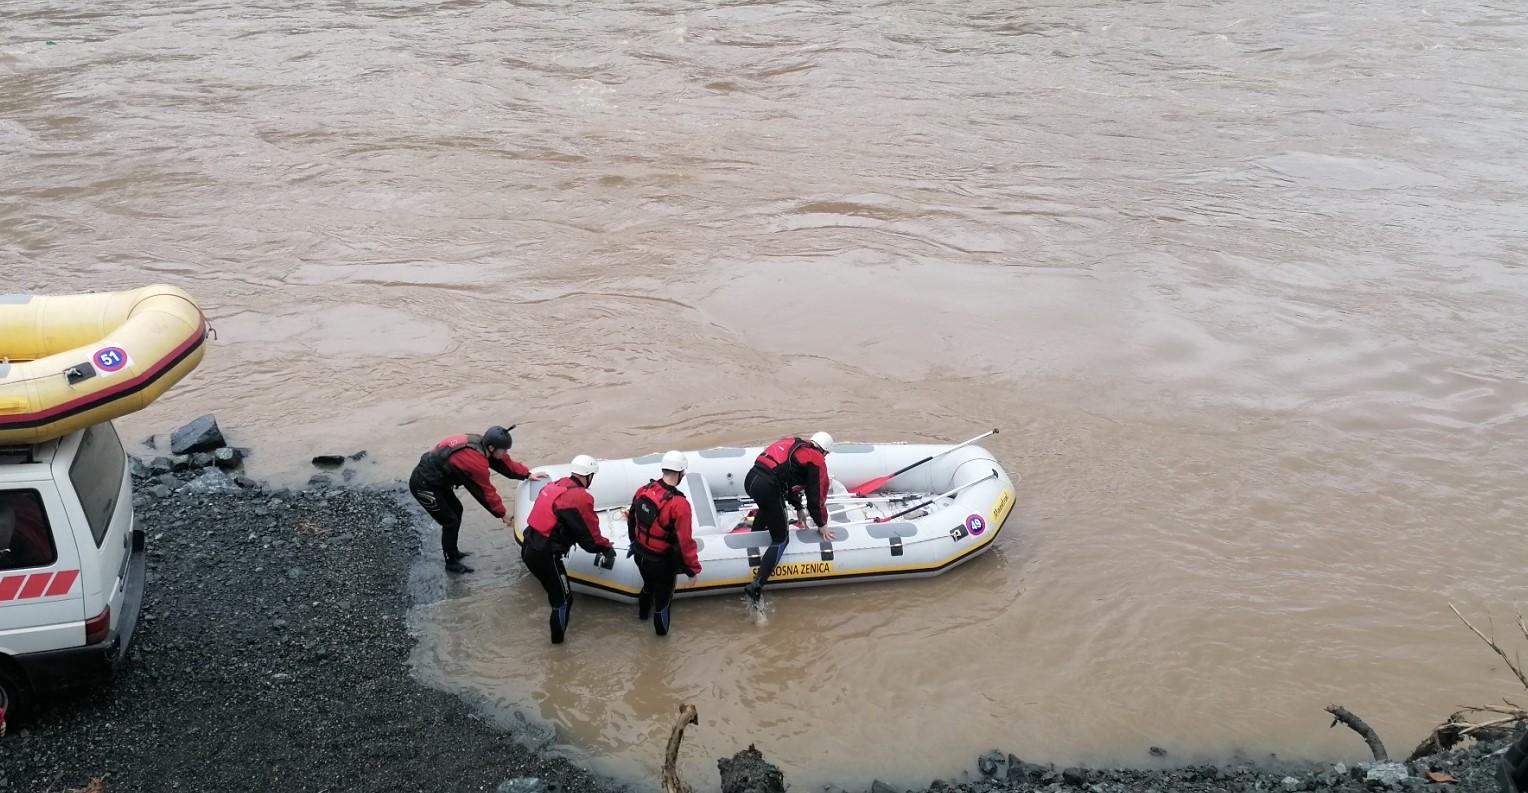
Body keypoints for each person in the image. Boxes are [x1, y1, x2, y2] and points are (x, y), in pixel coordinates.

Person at [410, 425, 546, 574]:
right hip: (424, 485)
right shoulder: (473, 461)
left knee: (457, 510)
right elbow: (485, 492)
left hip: (438, 482)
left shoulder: (484, 445)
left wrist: (527, 474)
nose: (506, 452)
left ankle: (454, 552)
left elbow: (504, 463)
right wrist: (503, 515)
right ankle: (451, 562)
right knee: (450, 521)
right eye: (504, 450)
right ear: (492, 448)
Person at [522, 454, 616, 644]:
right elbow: (590, 540)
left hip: (529, 545)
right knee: (563, 601)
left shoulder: (555, 485)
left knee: (556, 594)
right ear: (589, 476)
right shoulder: (579, 497)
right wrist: (607, 549)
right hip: (546, 556)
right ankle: (558, 650)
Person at [743, 432, 834, 604]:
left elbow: (788, 478)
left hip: (751, 479)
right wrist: (821, 523)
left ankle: (753, 538)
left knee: (767, 507)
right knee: (781, 539)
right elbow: (816, 498)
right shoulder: (816, 460)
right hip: (767, 487)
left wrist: (798, 507)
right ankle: (757, 585)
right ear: (825, 451)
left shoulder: (796, 444)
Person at [628, 450, 701, 636]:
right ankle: (661, 647)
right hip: (660, 562)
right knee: (663, 601)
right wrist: (692, 571)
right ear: (679, 473)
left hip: (639, 554)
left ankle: (642, 616)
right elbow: (685, 541)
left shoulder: (644, 489)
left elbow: (632, 519)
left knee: (647, 586)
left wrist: (634, 543)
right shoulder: (679, 504)